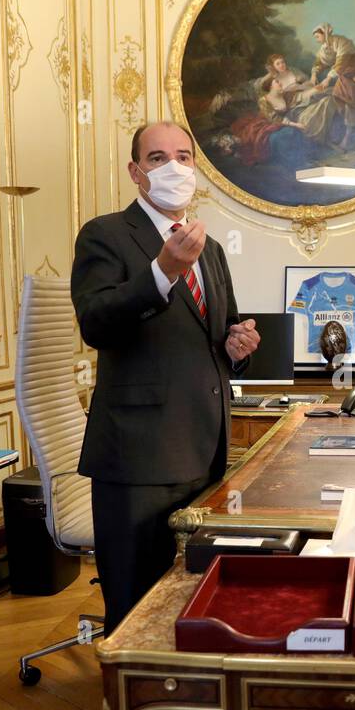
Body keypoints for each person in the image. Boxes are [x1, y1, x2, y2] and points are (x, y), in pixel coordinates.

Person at [71, 121, 261, 632]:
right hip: (140, 455)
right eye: (157, 158)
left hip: (207, 446)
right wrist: (162, 272)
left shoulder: (211, 248)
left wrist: (237, 348)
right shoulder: (105, 234)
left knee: (194, 593)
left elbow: (220, 337)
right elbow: (96, 324)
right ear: (136, 172)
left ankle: (190, 699)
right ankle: (132, 708)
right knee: (137, 604)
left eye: (183, 156)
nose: (173, 167)